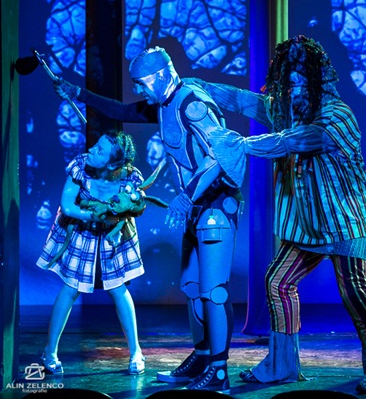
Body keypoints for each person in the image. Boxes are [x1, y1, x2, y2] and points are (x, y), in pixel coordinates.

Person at [199, 35, 366, 394]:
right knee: (278, 282)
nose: (293, 90)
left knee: (355, 291)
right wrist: (200, 87)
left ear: (317, 79)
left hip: (343, 222)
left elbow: (293, 140)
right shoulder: (286, 109)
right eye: (288, 82)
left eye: (300, 81)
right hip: (307, 225)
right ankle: (282, 365)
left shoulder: (337, 116)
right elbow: (244, 101)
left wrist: (241, 145)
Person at [54, 47, 242, 393]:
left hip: (215, 205)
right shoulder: (164, 104)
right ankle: (202, 357)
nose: (138, 89)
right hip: (195, 207)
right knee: (192, 286)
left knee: (213, 291)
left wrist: (186, 196)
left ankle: (219, 371)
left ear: (160, 76)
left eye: (141, 83)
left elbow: (221, 154)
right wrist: (78, 93)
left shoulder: (192, 103)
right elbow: (123, 111)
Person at [37, 131, 147, 375]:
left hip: (113, 234)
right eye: (95, 145)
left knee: (118, 288)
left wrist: (118, 215)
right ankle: (50, 351)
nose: (91, 151)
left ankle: (136, 352)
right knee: (71, 287)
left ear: (112, 164)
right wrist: (94, 216)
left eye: (99, 151)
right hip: (82, 229)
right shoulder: (80, 167)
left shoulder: (130, 178)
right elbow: (67, 206)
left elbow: (135, 206)